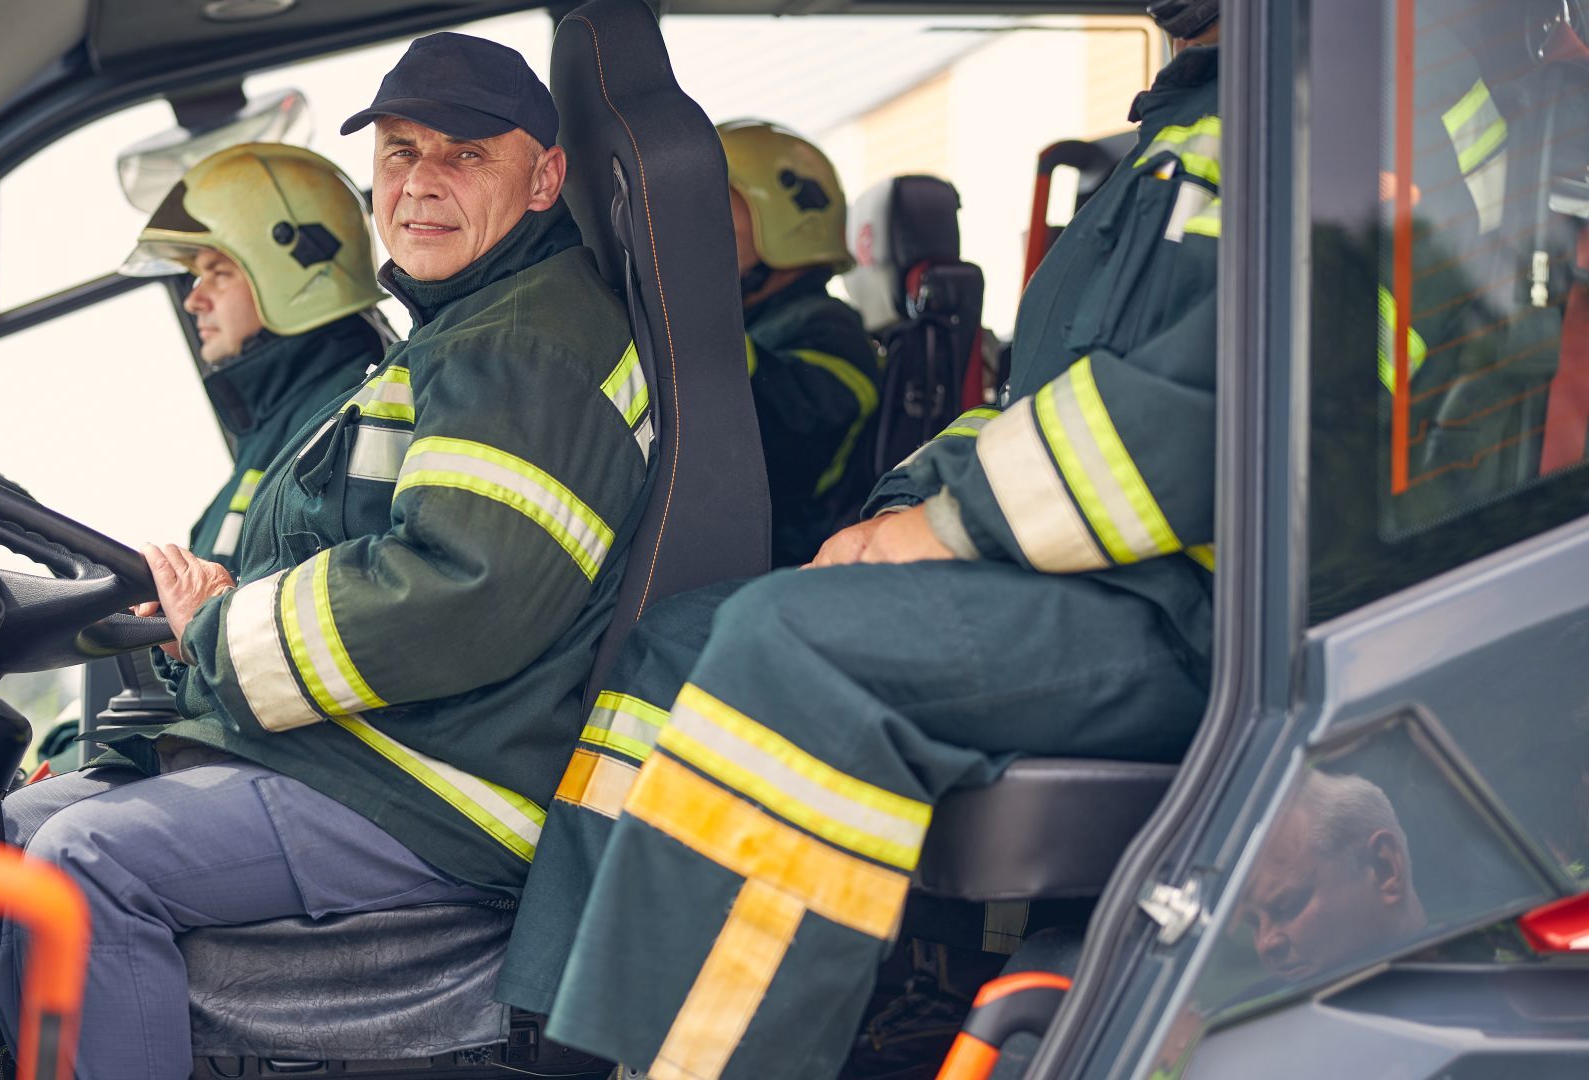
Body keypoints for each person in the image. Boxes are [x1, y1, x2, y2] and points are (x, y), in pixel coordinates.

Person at [496, 4, 1224, 1077]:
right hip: (1086, 580)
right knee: (685, 634)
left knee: (791, 648)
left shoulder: (1298, 131)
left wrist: (953, 527)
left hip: (1193, 609)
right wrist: (898, 514)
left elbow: (1209, 408)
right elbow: (1033, 406)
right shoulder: (1164, 150)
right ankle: (563, 1032)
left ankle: (699, 1061)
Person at [0, 33, 649, 1079]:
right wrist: (223, 622)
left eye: (465, 155)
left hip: (441, 780)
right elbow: (383, 560)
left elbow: (466, 591)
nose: (421, 182)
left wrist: (224, 625)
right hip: (394, 747)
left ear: (546, 177)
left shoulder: (518, 346)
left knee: (77, 865)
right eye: (399, 153)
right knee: (8, 827)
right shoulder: (467, 328)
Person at [118, 142, 391, 573]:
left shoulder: (343, 422)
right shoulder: (272, 432)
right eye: (196, 277)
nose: (195, 301)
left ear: (290, 271)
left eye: (219, 273)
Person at [719, 121, 884, 567]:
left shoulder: (831, 330)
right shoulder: (755, 317)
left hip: (780, 568)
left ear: (783, 219)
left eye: (716, 204)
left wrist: (696, 323)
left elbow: (778, 444)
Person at [1239, 772, 1426, 983]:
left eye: (1288, 907)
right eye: (1253, 923)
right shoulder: (1248, 1011)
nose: (1264, 944)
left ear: (1385, 870)